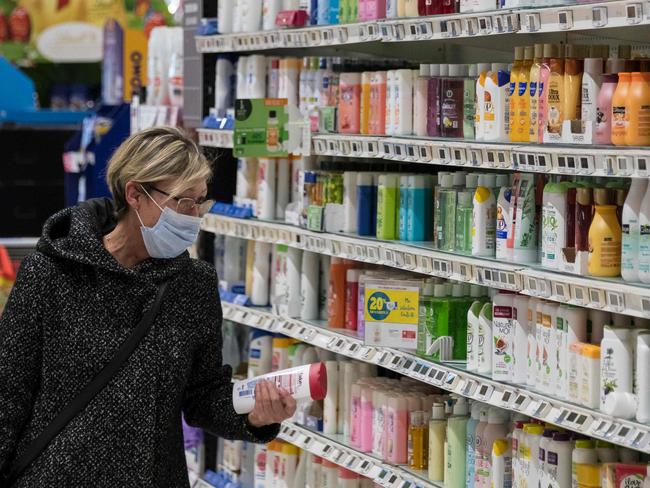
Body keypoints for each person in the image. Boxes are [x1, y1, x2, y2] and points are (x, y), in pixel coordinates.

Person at [0, 127, 296, 487]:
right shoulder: (53, 272)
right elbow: (9, 393)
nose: (192, 216)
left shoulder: (193, 285)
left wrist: (254, 415)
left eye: (200, 202)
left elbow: (203, 395)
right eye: (181, 201)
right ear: (135, 194)